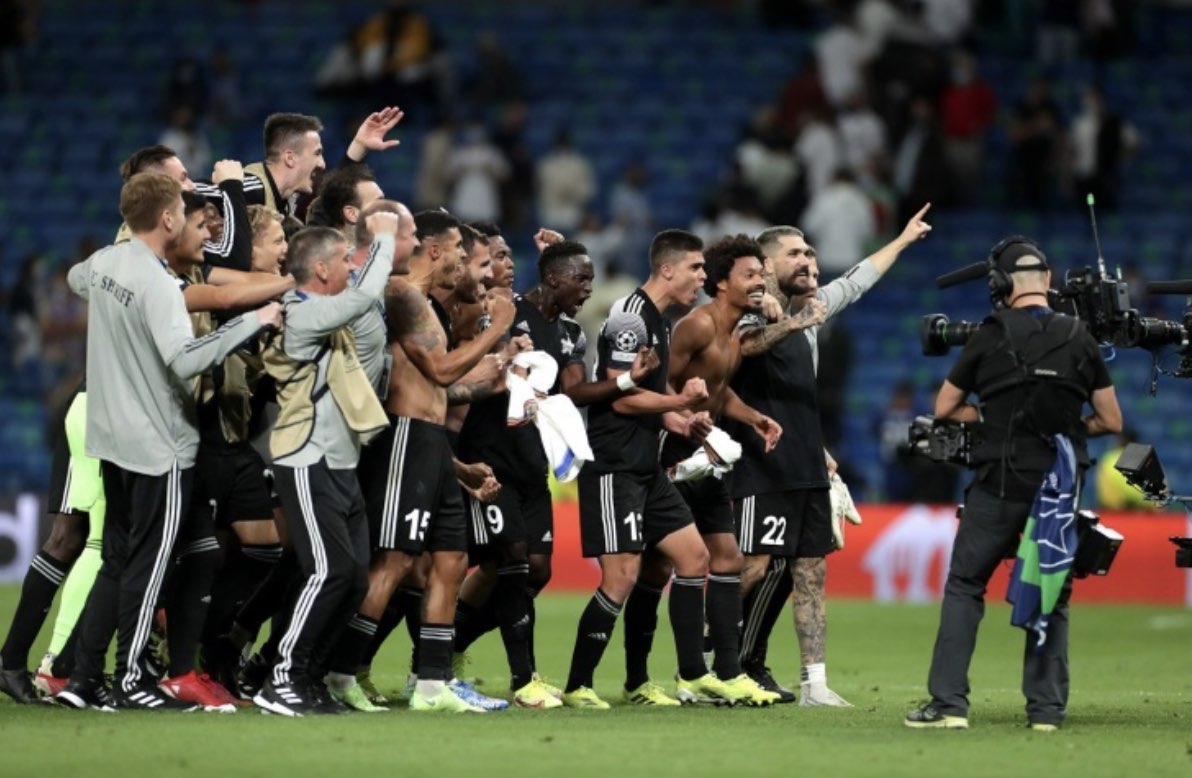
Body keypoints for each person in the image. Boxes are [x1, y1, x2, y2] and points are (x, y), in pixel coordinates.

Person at [55, 174, 280, 711]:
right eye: (182, 207)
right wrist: (250, 322)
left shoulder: (105, 263)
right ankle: (130, 681)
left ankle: (84, 682)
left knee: (117, 560)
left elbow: (74, 279)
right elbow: (185, 360)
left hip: (109, 439)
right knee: (147, 566)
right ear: (168, 219)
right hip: (159, 445)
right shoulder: (160, 285)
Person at [906, 236, 1122, 731]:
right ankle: (1046, 712)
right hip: (1057, 488)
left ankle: (950, 707)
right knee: (1053, 594)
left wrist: (988, 418)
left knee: (966, 585)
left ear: (999, 286)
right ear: (1048, 281)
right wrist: (1069, 427)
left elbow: (944, 408)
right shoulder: (1080, 337)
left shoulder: (989, 333)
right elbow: (1110, 419)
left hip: (999, 483)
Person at [733, 206, 932, 706]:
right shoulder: (743, 310)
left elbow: (858, 279)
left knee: (809, 568)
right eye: (796, 254)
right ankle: (706, 660)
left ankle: (814, 684)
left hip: (802, 454)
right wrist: (793, 321)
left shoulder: (813, 308)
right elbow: (742, 351)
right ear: (765, 262)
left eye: (812, 254)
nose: (809, 262)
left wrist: (903, 240)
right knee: (753, 566)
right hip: (756, 456)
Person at [323, 209, 515, 713]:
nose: (462, 261)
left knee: (451, 561)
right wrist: (496, 330)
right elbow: (440, 368)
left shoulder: (427, 304)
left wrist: (456, 464)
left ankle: (432, 683)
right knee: (393, 562)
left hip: (431, 446)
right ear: (435, 249)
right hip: (404, 441)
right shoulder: (404, 295)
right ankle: (340, 672)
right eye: (458, 251)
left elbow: (436, 390)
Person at [564, 229, 736, 709]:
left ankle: (668, 679)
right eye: (696, 268)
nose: (703, 279)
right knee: (621, 577)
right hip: (614, 466)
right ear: (667, 268)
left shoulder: (660, 321)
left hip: (646, 467)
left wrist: (682, 421)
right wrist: (679, 398)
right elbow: (620, 400)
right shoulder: (629, 318)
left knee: (693, 558)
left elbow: (647, 403)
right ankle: (578, 685)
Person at [662, 234, 824, 706]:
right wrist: (682, 416)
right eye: (750, 276)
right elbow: (663, 385)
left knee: (728, 560)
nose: (760, 283)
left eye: (761, 275)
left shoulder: (732, 334)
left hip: (707, 454)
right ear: (720, 283)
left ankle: (726, 673)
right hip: (673, 453)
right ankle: (684, 674)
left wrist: (754, 417)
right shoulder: (695, 326)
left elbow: (717, 392)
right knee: (651, 572)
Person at [251, 217, 399, 717]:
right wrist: (384, 239)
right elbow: (360, 300)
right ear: (319, 269)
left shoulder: (323, 313)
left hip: (340, 461)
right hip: (305, 457)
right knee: (326, 571)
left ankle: (309, 680)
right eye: (343, 260)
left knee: (354, 577)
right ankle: (281, 677)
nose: (352, 267)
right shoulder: (300, 311)